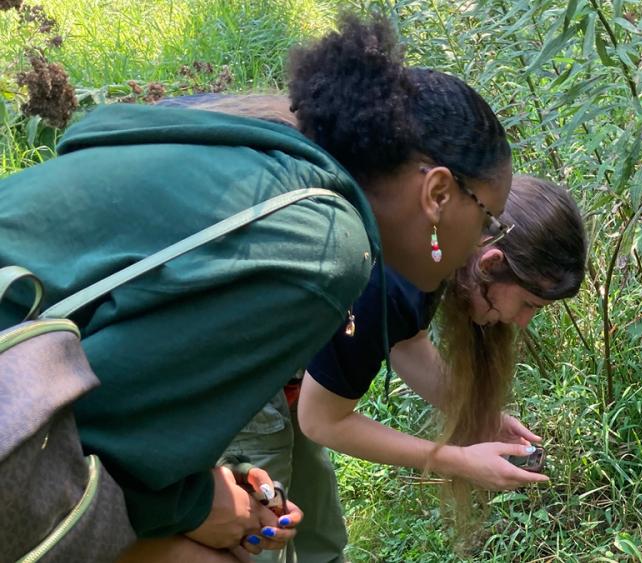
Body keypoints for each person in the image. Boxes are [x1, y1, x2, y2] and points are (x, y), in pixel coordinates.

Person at [0, 13, 512, 562]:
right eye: (488, 218)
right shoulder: (326, 243)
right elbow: (97, 436)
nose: (483, 241)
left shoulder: (262, 148)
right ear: (438, 193)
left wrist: (214, 483)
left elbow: (136, 367)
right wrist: (198, 507)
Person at [222, 175, 586, 562]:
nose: (524, 321)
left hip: (289, 363)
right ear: (491, 262)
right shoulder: (389, 276)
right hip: (236, 363)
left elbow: (406, 343)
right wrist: (460, 461)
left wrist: (475, 413)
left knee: (319, 533)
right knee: (264, 536)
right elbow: (323, 421)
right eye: (529, 304)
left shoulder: (433, 246)